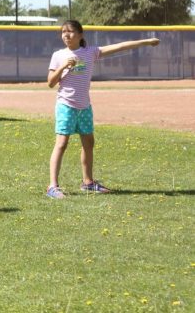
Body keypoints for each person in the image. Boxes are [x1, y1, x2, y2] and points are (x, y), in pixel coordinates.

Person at [45, 20, 160, 198]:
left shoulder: (91, 52)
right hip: (66, 105)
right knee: (61, 143)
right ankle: (52, 186)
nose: (66, 35)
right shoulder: (58, 55)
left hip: (84, 106)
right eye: (63, 32)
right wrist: (64, 66)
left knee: (89, 143)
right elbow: (51, 83)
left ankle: (88, 182)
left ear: (80, 35)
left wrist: (145, 42)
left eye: (71, 32)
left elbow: (120, 46)